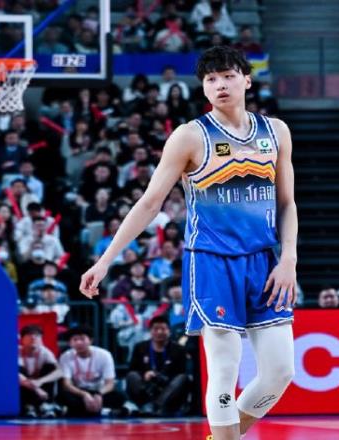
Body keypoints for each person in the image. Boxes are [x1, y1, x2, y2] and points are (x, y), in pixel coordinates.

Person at [80, 46, 297, 440]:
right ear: (204, 88)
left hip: (265, 261)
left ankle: (220, 438)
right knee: (225, 368)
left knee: (280, 371)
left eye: (228, 76)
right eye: (211, 79)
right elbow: (149, 203)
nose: (220, 85)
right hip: (212, 262)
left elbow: (287, 203)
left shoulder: (276, 131)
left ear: (247, 80)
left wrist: (288, 260)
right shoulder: (189, 136)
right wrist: (106, 259)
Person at [58, 325, 131, 417]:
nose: (79, 343)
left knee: (120, 396)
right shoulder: (65, 357)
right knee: (62, 397)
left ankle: (78, 411)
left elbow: (110, 383)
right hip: (79, 392)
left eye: (82, 339)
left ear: (90, 340)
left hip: (100, 391)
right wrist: (84, 394)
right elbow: (67, 384)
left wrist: (99, 394)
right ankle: (104, 411)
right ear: (70, 343)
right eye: (75, 340)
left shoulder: (104, 355)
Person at [126, 316, 189, 415]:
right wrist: (144, 374)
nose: (159, 332)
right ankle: (147, 405)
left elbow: (181, 372)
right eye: (155, 329)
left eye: (163, 329)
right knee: (132, 376)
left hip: (168, 387)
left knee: (183, 378)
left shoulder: (179, 349)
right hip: (146, 387)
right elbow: (132, 369)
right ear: (150, 331)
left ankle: (157, 406)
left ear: (169, 331)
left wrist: (164, 376)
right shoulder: (140, 347)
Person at [19, 325, 63, 418]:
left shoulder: (45, 352)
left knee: (50, 367)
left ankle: (46, 405)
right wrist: (36, 389)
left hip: (41, 386)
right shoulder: (16, 351)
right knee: (19, 370)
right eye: (29, 335)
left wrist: (40, 381)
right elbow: (16, 376)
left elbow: (59, 372)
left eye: (37, 336)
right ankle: (28, 406)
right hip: (24, 387)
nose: (33, 338)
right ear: (22, 339)